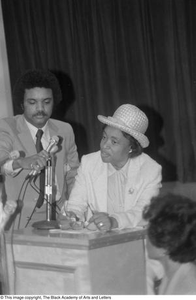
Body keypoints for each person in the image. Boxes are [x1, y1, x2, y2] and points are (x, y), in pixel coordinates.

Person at [58, 103, 162, 231]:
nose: (104, 145)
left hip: (136, 241)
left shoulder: (150, 169)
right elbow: (76, 203)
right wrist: (71, 216)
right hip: (98, 241)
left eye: (114, 142)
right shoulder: (89, 163)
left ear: (131, 147)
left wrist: (113, 221)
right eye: (104, 137)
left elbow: (144, 212)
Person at [0, 69, 79, 230]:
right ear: (21, 103)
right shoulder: (7, 127)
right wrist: (22, 162)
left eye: (46, 101)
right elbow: (1, 161)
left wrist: (74, 209)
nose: (40, 108)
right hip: (19, 220)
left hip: (60, 217)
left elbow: (73, 175)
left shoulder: (65, 130)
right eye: (32, 102)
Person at [143, 193, 196, 295]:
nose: (146, 238)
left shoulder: (188, 288)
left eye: (150, 232)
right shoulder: (173, 273)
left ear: (165, 247)